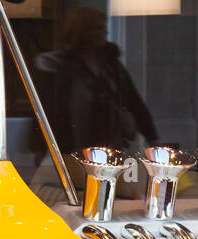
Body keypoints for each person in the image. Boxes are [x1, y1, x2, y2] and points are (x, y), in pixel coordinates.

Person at [32, 6, 159, 161]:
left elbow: (135, 102)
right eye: (98, 28)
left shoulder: (111, 66)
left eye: (103, 28)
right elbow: (47, 109)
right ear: (83, 32)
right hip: (73, 149)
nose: (105, 32)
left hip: (111, 147)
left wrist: (152, 138)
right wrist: (39, 148)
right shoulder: (62, 67)